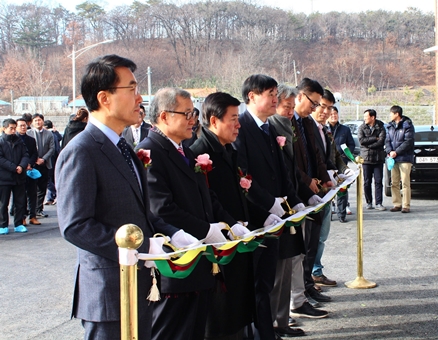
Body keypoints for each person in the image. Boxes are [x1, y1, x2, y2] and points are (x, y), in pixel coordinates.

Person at [55, 54, 188, 340]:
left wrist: (172, 234)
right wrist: (138, 248)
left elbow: (140, 211)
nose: (140, 97)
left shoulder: (124, 147)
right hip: (109, 292)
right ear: (104, 98)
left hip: (136, 287)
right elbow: (76, 225)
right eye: (132, 88)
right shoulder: (82, 150)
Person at [136, 87, 241, 340]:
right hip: (177, 265)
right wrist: (207, 230)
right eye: (187, 113)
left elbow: (208, 197)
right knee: (174, 332)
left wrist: (231, 224)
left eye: (193, 113)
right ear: (164, 116)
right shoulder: (149, 152)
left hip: (199, 261)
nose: (193, 120)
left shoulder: (186, 150)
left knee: (195, 331)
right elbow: (162, 208)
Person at [191, 92, 276, 339]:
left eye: (239, 118)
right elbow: (209, 202)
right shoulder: (200, 153)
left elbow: (242, 191)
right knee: (222, 317)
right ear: (214, 121)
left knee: (241, 308)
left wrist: (266, 214)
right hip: (220, 247)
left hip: (238, 240)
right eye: (233, 119)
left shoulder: (228, 149)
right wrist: (230, 225)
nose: (238, 125)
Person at [233, 74, 306, 340]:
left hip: (275, 218)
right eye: (271, 94)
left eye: (277, 93)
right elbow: (243, 177)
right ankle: (260, 333)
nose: (276, 99)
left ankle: (268, 332)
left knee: (266, 281)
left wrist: (293, 199)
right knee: (257, 284)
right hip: (255, 219)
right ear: (252, 96)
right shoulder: (241, 128)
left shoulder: (270, 127)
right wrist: (268, 206)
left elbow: (281, 171)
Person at [268, 84, 328, 337]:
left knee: (300, 254)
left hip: (297, 198)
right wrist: (302, 189)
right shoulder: (272, 127)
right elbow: (289, 168)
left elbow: (310, 158)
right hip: (279, 206)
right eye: (286, 106)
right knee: (282, 267)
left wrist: (311, 189)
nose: (290, 111)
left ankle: (293, 305)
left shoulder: (301, 124)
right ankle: (283, 314)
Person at [290, 78, 334, 312]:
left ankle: (307, 286)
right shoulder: (287, 122)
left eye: (320, 104)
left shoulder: (306, 123)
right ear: (300, 96)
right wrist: (307, 182)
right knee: (300, 248)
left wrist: (325, 177)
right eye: (314, 103)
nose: (316, 109)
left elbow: (315, 154)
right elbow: (290, 162)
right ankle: (301, 292)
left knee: (312, 242)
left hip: (315, 191)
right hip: (298, 192)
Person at [310, 89, 352, 286]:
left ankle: (316, 271)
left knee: (322, 236)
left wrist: (344, 171)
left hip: (327, 192)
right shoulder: (306, 129)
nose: (325, 112)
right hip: (312, 193)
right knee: (313, 237)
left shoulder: (325, 130)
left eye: (329, 108)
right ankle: (310, 275)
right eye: (322, 106)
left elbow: (334, 156)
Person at [0, 118, 29, 235]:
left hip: (19, 177)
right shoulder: (1, 142)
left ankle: (19, 224)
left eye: (14, 128)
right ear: (4, 129)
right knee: (3, 203)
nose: (13, 131)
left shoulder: (19, 141)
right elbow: (0, 159)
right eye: (10, 128)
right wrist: (14, 167)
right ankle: (3, 225)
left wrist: (22, 166)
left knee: (20, 202)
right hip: (4, 178)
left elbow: (25, 154)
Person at [326, 106, 355, 221]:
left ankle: (341, 214)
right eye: (331, 114)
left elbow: (351, 145)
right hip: (328, 164)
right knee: (329, 190)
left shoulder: (345, 129)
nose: (334, 116)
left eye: (335, 114)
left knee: (342, 190)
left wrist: (345, 155)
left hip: (342, 163)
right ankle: (329, 214)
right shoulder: (324, 129)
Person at [385, 105, 415, 213]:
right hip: (394, 159)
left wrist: (396, 152)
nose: (390, 115)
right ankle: (396, 204)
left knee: (405, 182)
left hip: (405, 158)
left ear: (397, 114)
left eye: (391, 113)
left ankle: (406, 205)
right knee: (394, 182)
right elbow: (387, 140)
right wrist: (390, 151)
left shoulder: (408, 125)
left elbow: (408, 142)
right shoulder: (390, 126)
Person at [26, 113, 54, 218]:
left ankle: (39, 209)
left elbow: (52, 148)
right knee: (30, 188)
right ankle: (30, 209)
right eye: (36, 120)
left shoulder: (49, 134)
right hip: (32, 165)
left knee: (42, 188)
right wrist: (34, 159)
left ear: (43, 121)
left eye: (40, 120)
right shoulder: (28, 133)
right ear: (32, 122)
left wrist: (43, 159)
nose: (38, 122)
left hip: (45, 164)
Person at [358, 109, 387, 211]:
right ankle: (369, 202)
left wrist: (369, 145)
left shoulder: (381, 127)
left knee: (378, 181)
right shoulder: (362, 127)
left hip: (378, 159)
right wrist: (375, 138)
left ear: (372, 117)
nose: (365, 118)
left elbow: (381, 142)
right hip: (366, 159)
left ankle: (379, 203)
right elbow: (361, 141)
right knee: (367, 182)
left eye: (367, 117)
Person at [15, 118, 40, 226]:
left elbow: (35, 153)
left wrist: (30, 164)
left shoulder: (31, 140)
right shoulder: (15, 140)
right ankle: (22, 217)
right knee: (21, 196)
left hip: (30, 170)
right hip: (19, 171)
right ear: (16, 127)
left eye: (24, 125)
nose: (23, 127)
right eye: (20, 125)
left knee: (32, 194)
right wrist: (23, 165)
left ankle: (33, 216)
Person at [44, 120, 61, 205]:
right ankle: (50, 197)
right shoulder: (56, 134)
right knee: (53, 179)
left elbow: (52, 149)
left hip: (49, 160)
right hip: (55, 160)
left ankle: (57, 194)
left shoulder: (49, 135)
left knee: (48, 179)